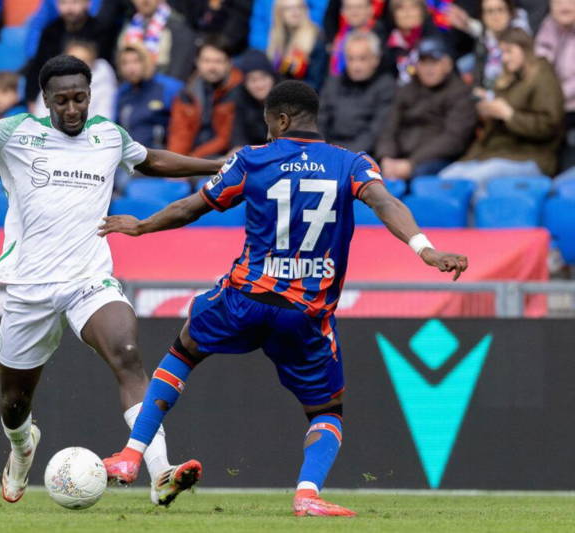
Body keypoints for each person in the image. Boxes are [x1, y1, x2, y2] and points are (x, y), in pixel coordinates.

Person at [99, 79, 468, 516]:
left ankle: (131, 454)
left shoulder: (252, 159)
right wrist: (425, 249)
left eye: (269, 123)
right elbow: (386, 203)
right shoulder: (352, 163)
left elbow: (192, 206)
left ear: (282, 119)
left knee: (184, 351)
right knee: (327, 411)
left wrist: (142, 226)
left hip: (245, 298)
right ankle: (307, 494)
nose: (268, 131)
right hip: (305, 313)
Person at [0, 29, 225, 506]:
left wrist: (221, 165)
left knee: (127, 353)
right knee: (14, 404)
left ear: (89, 95)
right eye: (61, 101)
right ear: (46, 101)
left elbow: (152, 161)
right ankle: (22, 448)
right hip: (30, 286)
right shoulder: (16, 131)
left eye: (79, 98)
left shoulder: (108, 135)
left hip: (90, 279)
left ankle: (160, 472)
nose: (72, 109)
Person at [440, 28, 565, 184]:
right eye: (502, 53)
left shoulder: (543, 77)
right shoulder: (506, 78)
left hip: (531, 156)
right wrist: (488, 110)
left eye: (509, 51)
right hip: (494, 153)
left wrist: (509, 115)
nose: (505, 58)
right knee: (444, 180)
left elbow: (549, 126)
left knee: (470, 182)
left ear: (524, 49)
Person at [377, 36, 477, 180]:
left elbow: (454, 140)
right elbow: (389, 128)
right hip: (399, 157)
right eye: (424, 63)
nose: (429, 69)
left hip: (436, 159)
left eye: (434, 63)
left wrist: (412, 163)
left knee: (421, 176)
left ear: (448, 64)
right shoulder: (407, 89)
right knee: (366, 172)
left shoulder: (460, 93)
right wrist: (386, 157)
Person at [24, 0, 114, 108]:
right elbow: (39, 67)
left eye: (75, 2)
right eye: (63, 3)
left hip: (94, 92)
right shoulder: (51, 31)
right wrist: (32, 98)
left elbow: (104, 70)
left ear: (87, 4)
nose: (69, 8)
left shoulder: (101, 31)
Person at [319, 30, 395, 154]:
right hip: (329, 151)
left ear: (376, 59)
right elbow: (320, 121)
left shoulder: (386, 86)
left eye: (362, 59)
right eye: (351, 59)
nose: (356, 66)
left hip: (363, 155)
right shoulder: (333, 83)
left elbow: (375, 132)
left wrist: (345, 156)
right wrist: (323, 150)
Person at [167, 36, 243, 158]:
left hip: (223, 158)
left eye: (218, 61)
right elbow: (179, 134)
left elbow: (225, 138)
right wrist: (176, 163)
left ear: (229, 63)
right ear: (197, 62)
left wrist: (192, 160)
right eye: (206, 61)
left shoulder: (240, 91)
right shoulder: (187, 93)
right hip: (192, 159)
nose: (212, 67)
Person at [115, 43, 183, 151]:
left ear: (147, 62)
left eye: (136, 61)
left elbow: (182, 129)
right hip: (129, 156)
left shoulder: (168, 87)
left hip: (161, 155)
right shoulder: (122, 93)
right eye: (125, 63)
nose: (130, 68)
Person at [448, 0, 530, 89]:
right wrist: (466, 24)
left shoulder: (519, 36)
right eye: (489, 12)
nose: (495, 17)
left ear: (510, 12)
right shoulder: (487, 37)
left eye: (500, 10)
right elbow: (479, 29)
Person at [535, 0, 575, 170]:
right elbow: (540, 64)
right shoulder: (548, 26)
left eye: (569, 1)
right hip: (552, 109)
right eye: (558, 2)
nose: (563, 6)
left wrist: (553, 96)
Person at [117, 0, 197, 82]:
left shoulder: (178, 26)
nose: (145, 1)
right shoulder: (128, 28)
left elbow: (179, 70)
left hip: (164, 86)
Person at [267, 0, 328, 91]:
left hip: (306, 94)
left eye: (299, 7)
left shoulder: (316, 38)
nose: (295, 12)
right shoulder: (277, 38)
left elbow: (315, 82)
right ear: (279, 13)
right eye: (288, 8)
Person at [384, 0, 444, 85]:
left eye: (413, 7)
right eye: (400, 8)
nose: (407, 13)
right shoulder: (387, 45)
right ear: (393, 15)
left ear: (422, 12)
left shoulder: (437, 40)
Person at [230, 49, 277, 149]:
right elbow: (238, 138)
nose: (259, 85)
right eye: (252, 80)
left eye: (263, 78)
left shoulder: (288, 99)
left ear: (273, 78)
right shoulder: (241, 98)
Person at [326, 0, 387, 77]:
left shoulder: (380, 35)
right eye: (349, 7)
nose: (354, 12)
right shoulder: (340, 35)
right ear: (342, 12)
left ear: (371, 9)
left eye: (359, 7)